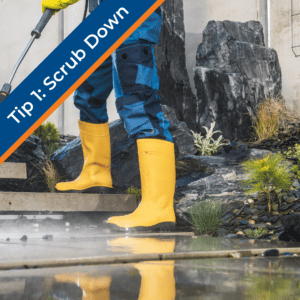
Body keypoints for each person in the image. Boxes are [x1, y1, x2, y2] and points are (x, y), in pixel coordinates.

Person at [42, 0, 176, 232]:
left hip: (131, 16)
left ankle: (158, 208)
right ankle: (95, 172)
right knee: (87, 95)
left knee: (138, 105)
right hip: (100, 20)